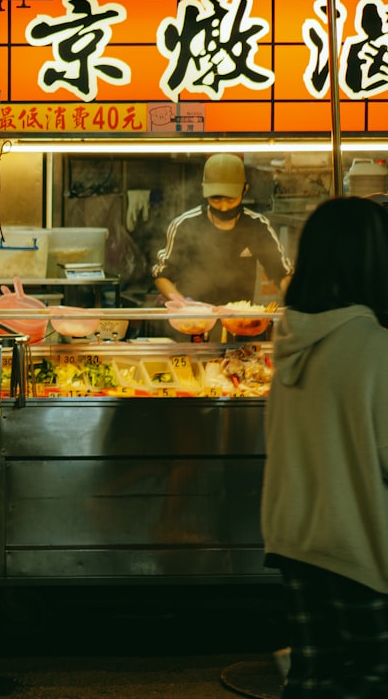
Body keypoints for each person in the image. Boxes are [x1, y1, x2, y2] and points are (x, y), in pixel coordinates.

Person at [261, 196, 388, 698]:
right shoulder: (373, 346)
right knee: (374, 680)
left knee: (314, 682)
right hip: (358, 546)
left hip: (296, 542)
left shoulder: (294, 337)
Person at [153, 153, 292, 306]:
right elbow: (162, 275)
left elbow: (282, 273)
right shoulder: (184, 225)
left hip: (240, 323)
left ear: (244, 190)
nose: (224, 207)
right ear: (204, 189)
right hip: (194, 322)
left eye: (231, 199)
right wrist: (183, 305)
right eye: (216, 199)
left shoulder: (258, 225)